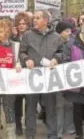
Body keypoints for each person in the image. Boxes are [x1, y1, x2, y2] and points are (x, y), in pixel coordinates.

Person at [19, 10, 62, 139]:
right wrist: (26, 59)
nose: (35, 20)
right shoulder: (27, 35)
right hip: (32, 77)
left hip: (49, 77)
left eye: (38, 18)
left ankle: (52, 134)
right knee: (31, 108)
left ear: (46, 21)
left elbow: (61, 52)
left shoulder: (56, 37)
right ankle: (30, 134)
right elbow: (21, 52)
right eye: (34, 18)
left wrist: (57, 59)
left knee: (50, 108)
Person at [11, 12, 32, 135]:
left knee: (29, 100)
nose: (22, 26)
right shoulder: (13, 37)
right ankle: (18, 124)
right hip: (16, 72)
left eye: (24, 23)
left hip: (28, 71)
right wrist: (14, 37)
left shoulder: (31, 36)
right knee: (17, 100)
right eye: (19, 24)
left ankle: (28, 124)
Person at [55, 21, 75, 139]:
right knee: (59, 105)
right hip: (57, 77)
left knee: (69, 104)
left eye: (70, 31)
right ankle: (58, 129)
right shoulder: (55, 42)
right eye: (66, 31)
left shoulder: (74, 42)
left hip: (70, 77)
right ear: (60, 32)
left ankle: (69, 127)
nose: (69, 33)